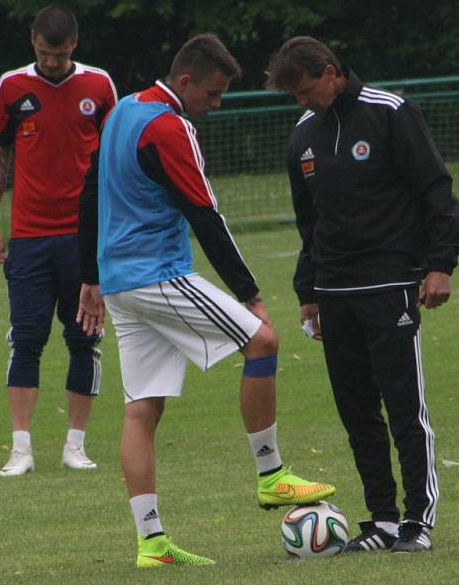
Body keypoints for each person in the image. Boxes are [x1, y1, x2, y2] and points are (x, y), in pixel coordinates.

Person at [75, 33, 336, 568]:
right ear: (185, 82)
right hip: (158, 273)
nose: (215, 107)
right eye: (212, 95)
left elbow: (89, 190)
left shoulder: (122, 111)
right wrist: (251, 295)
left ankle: (152, 544)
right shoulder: (171, 127)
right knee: (262, 340)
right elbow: (206, 217)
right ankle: (273, 477)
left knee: (142, 408)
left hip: (121, 283)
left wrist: (90, 274)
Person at [265, 36, 459, 554]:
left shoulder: (392, 113)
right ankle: (381, 520)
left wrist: (440, 264)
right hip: (333, 292)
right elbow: (309, 223)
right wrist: (307, 291)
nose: (302, 101)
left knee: (404, 407)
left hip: (391, 285)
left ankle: (418, 521)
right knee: (356, 412)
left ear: (331, 72)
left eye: (307, 89)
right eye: (294, 95)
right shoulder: (303, 134)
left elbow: (435, 190)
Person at [0, 5, 117, 477]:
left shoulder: (99, 86)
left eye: (59, 55)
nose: (52, 62)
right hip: (31, 237)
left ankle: (74, 447)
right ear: (32, 41)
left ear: (73, 46)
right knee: (26, 339)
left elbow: (115, 156)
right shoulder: (12, 86)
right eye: (44, 53)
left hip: (85, 239)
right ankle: (21, 449)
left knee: (85, 339)